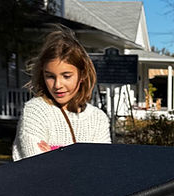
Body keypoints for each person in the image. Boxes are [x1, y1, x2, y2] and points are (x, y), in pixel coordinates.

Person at [12, 28, 111, 159]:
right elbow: (37, 163)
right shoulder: (36, 111)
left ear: (82, 75)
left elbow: (102, 164)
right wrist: (83, 158)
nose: (57, 85)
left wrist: (54, 153)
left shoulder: (98, 119)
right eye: (50, 76)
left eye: (66, 76)